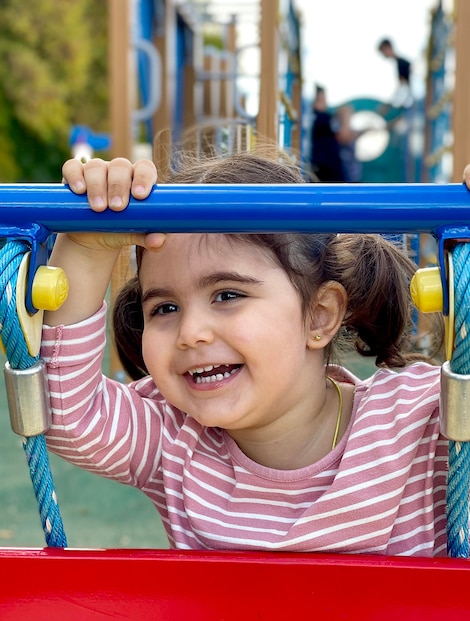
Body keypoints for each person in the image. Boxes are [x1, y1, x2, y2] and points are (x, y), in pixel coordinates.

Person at [41, 150, 469, 557]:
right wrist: (85, 249)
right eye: (165, 308)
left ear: (319, 316)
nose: (191, 333)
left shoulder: (422, 419)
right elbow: (69, 415)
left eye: (227, 295)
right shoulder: (174, 441)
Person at [310, 85, 345, 182]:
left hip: (320, 167)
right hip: (327, 168)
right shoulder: (324, 119)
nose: (325, 104)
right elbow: (344, 136)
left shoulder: (314, 118)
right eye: (322, 100)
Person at [377, 38, 413, 109]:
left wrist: (389, 105)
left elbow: (403, 87)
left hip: (412, 102)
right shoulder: (400, 62)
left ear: (388, 48)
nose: (383, 55)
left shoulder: (402, 63)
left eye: (383, 52)